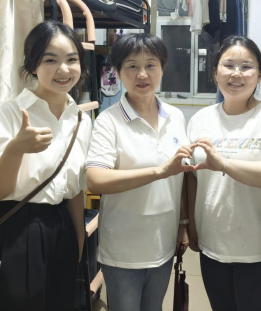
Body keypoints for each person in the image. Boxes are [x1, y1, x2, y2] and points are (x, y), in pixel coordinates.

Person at [0, 21, 92, 310]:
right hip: (16, 228)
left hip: (62, 227)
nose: (63, 70)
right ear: (32, 65)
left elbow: (75, 188)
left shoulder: (81, 120)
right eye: (50, 60)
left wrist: (78, 239)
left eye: (72, 59)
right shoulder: (6, 115)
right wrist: (15, 149)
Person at [186, 36, 261, 311]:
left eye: (247, 67)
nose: (236, 74)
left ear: (259, 75)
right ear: (215, 72)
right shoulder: (200, 120)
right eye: (228, 65)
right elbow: (192, 177)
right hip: (213, 245)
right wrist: (190, 223)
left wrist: (225, 164)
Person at [86, 33, 192, 311]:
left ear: (162, 69)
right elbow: (96, 180)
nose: (142, 74)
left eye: (151, 65)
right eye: (132, 66)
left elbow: (181, 177)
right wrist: (159, 171)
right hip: (123, 248)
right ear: (118, 72)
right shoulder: (108, 121)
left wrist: (183, 225)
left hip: (163, 242)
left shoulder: (175, 117)